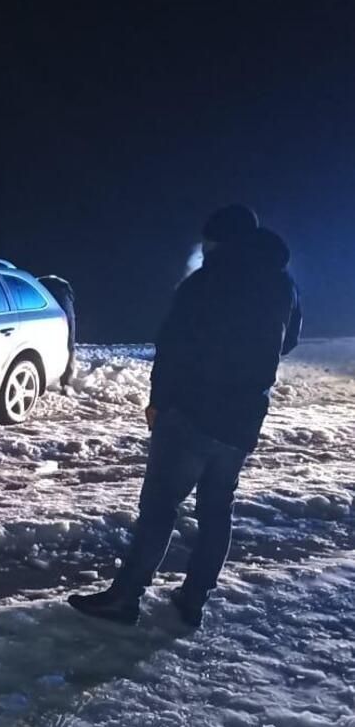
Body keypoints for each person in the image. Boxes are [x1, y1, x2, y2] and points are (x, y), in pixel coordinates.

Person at [68, 205, 302, 628]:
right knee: (217, 510)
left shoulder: (206, 281)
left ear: (217, 240)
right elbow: (289, 342)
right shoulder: (282, 283)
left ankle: (126, 598)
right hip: (244, 416)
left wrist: (159, 401)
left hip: (191, 411)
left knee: (159, 507)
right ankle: (193, 600)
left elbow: (172, 345)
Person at [38, 274, 77, 387]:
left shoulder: (39, 284)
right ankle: (66, 382)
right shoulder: (63, 286)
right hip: (62, 293)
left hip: (42, 292)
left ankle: (42, 378)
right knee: (68, 344)